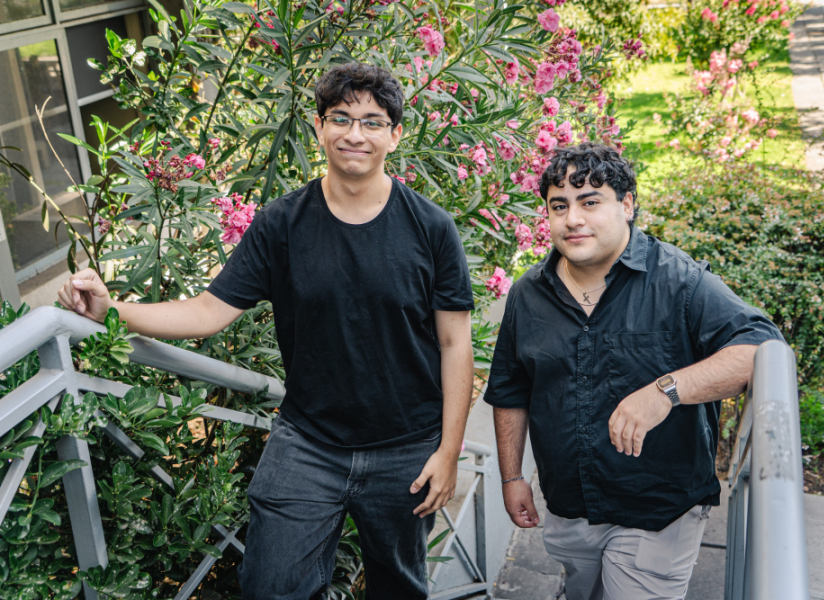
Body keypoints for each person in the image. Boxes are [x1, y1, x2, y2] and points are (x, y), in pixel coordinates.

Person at [57, 63, 475, 600]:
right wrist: (112, 310)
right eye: (341, 118)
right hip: (308, 443)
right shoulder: (282, 223)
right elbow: (209, 311)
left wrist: (448, 452)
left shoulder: (431, 227)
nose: (354, 134)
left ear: (395, 135)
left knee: (399, 586)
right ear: (318, 128)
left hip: (406, 450)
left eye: (372, 122)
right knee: (270, 586)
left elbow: (454, 344)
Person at [483, 142, 784, 600]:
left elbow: (762, 346)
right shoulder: (528, 294)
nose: (573, 219)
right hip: (568, 507)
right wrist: (510, 477)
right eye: (559, 206)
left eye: (590, 202)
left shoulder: (678, 280)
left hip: (658, 510)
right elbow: (510, 390)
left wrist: (666, 390)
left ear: (626, 204)